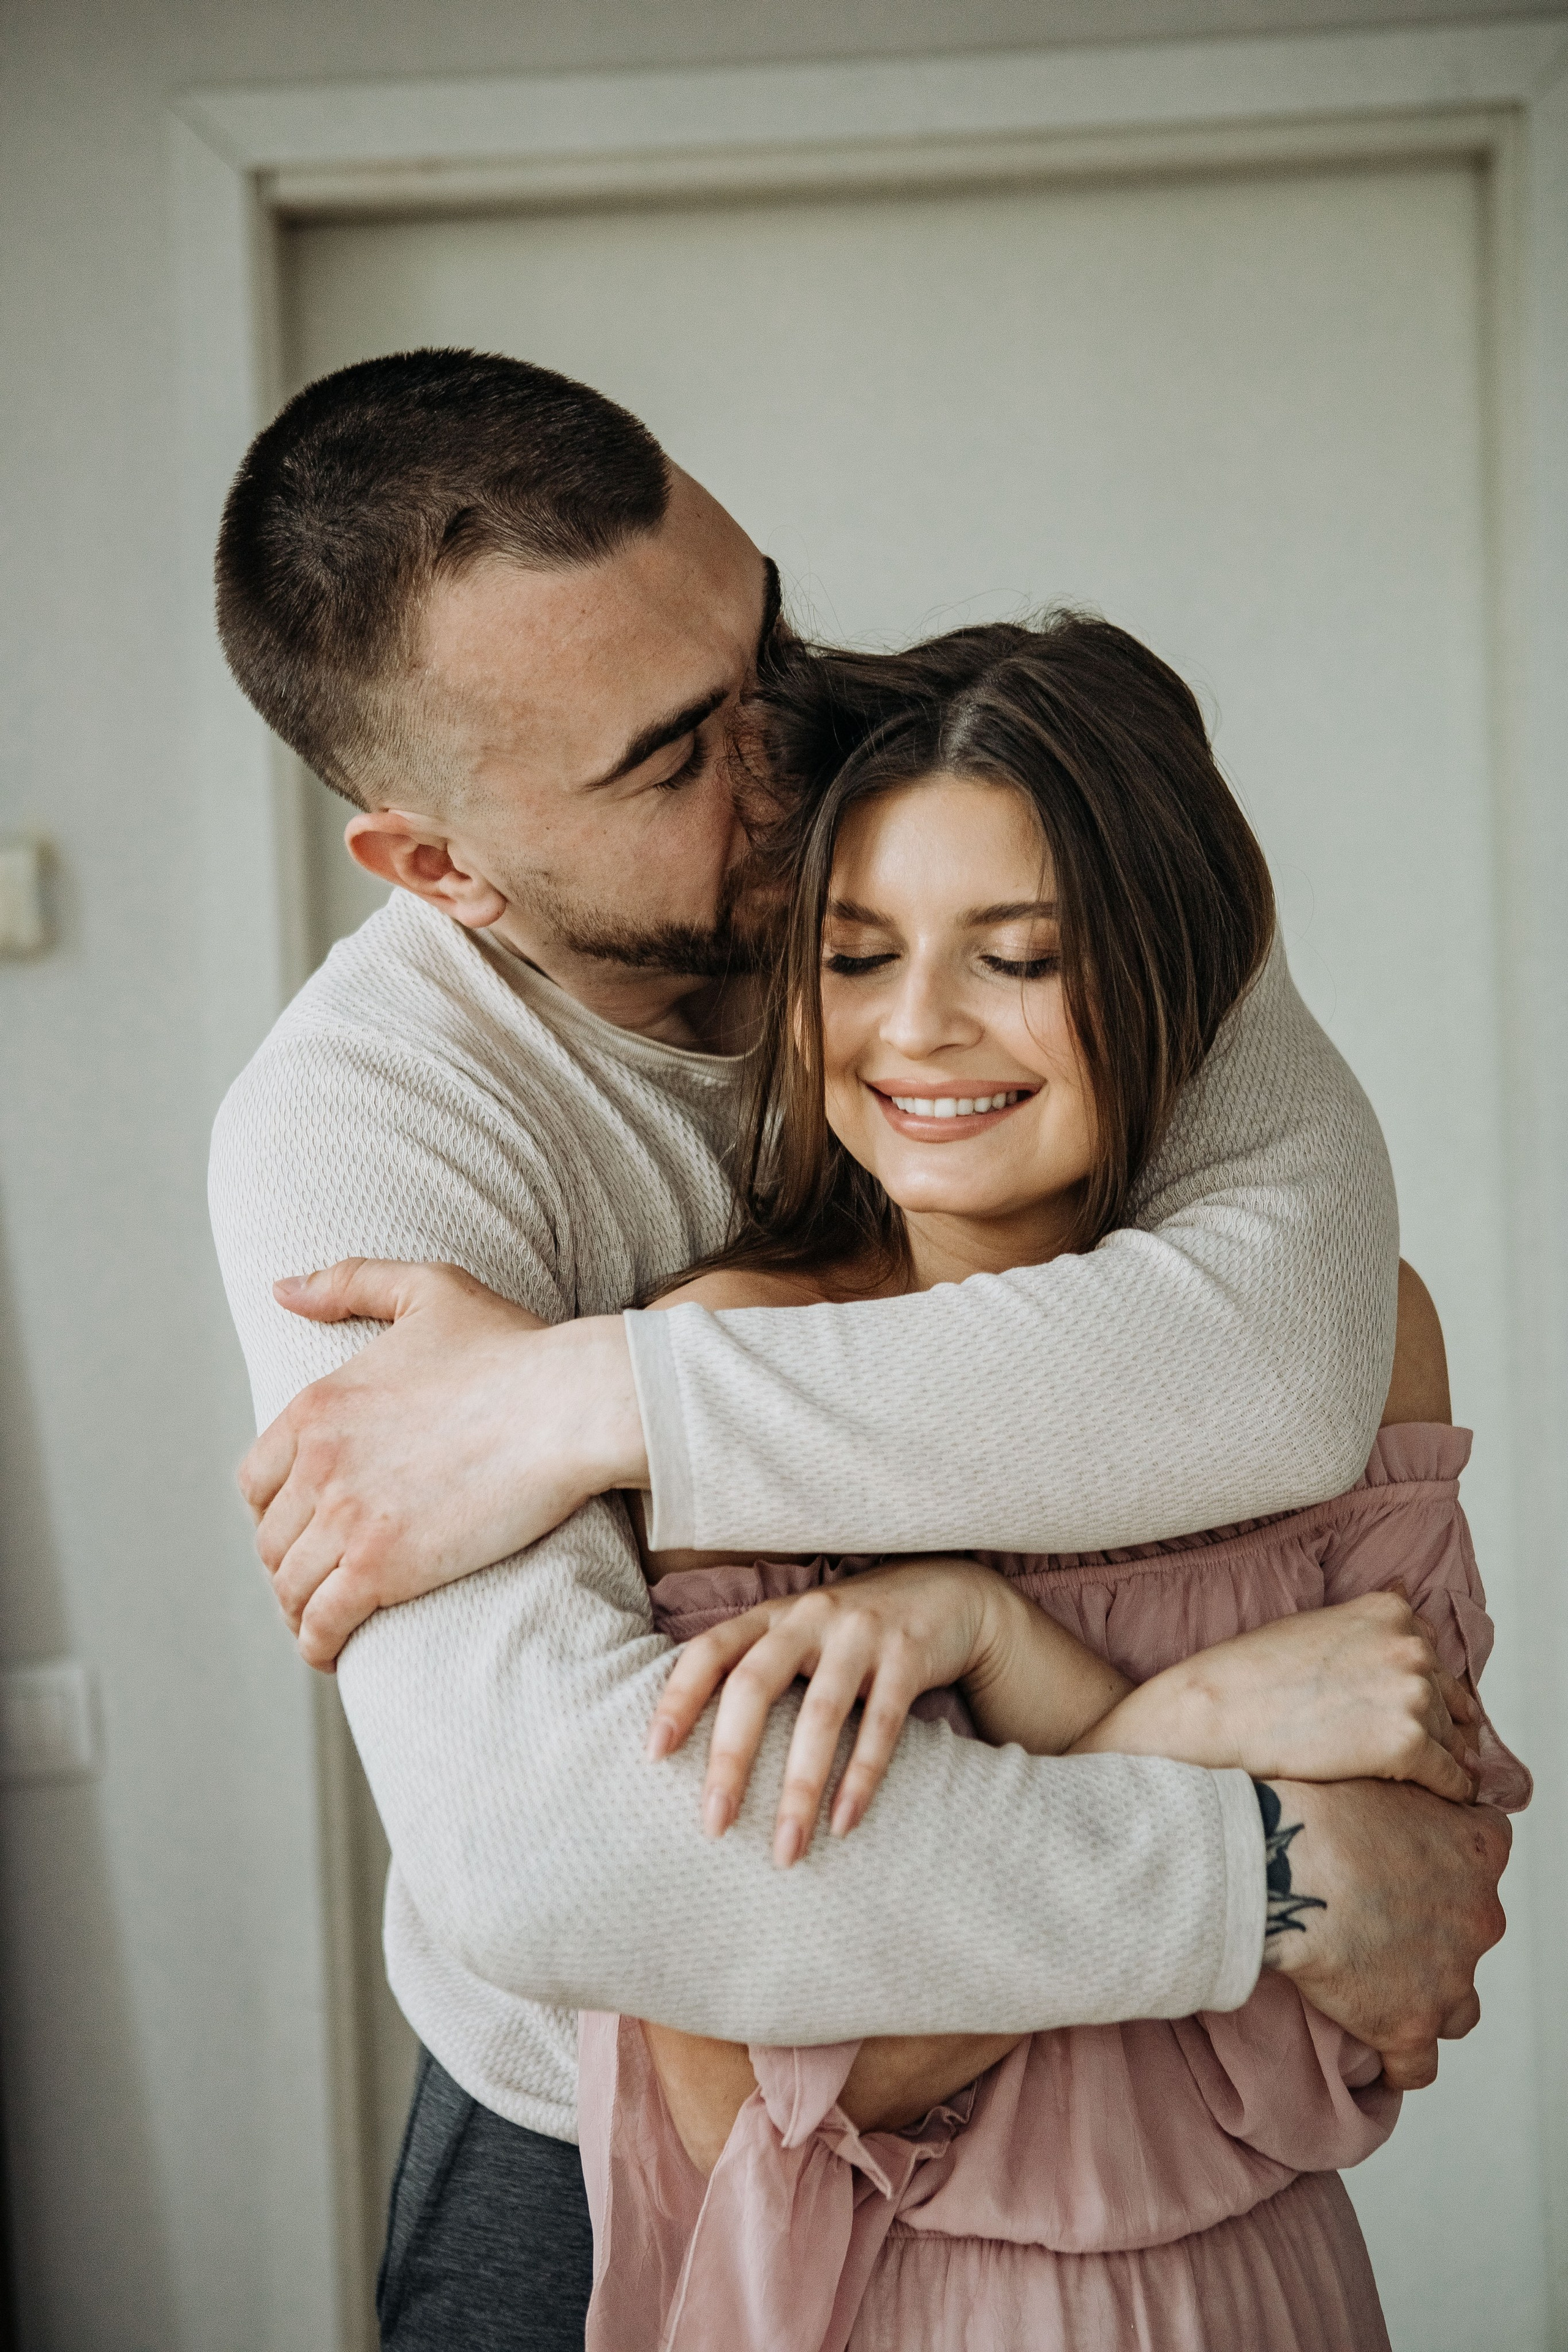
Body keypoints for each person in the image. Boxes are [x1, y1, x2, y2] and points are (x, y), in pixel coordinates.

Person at [207, 349, 1510, 2350]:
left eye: (766, 640)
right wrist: (1255, 1852)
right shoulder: (365, 1136)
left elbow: (1280, 1364)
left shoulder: (994, 805)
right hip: (597, 2138)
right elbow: (582, 1856)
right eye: (671, 758)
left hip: (1169, 2163)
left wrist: (588, 1396)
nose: (790, 754)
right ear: (441, 867)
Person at [573, 617, 1531, 2351]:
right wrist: (1193, 1724)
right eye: (858, 959)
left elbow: (1396, 1967)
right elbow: (765, 2084)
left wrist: (984, 1658)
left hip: (1267, 2288)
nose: (920, 1033)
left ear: (1169, 974)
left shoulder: (1346, 1339)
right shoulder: (726, 1373)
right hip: (891, 2301)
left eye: (1015, 957)